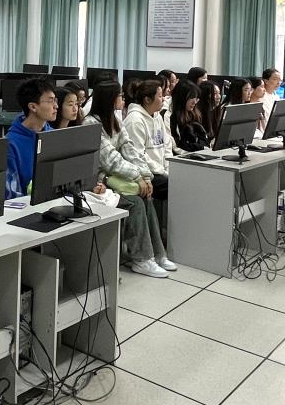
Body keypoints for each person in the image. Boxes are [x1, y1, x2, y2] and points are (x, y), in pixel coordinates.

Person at [83, 82, 174, 276]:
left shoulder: (115, 119)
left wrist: (146, 176)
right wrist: (137, 176)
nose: (123, 99)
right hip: (101, 180)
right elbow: (110, 160)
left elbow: (130, 149)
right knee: (135, 202)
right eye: (120, 96)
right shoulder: (90, 123)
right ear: (110, 99)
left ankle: (157, 254)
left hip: (118, 178)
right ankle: (141, 259)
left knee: (146, 196)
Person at [122, 80, 174, 200]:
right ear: (147, 100)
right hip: (146, 173)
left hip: (161, 171)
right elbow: (138, 155)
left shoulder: (157, 116)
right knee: (176, 186)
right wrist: (163, 172)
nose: (163, 99)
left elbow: (167, 145)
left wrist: (169, 168)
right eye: (160, 96)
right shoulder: (135, 120)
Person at [5, 78, 56, 199]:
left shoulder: (54, 136)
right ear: (33, 107)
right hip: (26, 207)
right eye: (50, 101)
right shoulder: (10, 144)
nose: (56, 106)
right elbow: (12, 196)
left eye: (55, 100)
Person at [169, 80, 210, 152]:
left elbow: (203, 138)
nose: (194, 102)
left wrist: (203, 148)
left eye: (196, 98)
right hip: (181, 155)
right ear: (182, 98)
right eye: (191, 98)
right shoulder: (170, 116)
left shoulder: (194, 114)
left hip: (197, 153)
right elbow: (176, 145)